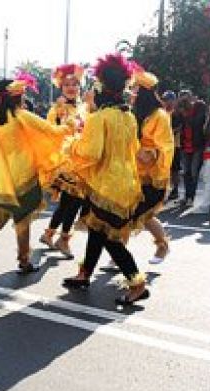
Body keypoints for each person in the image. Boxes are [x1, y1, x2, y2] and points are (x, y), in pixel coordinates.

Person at [60, 54, 149, 306]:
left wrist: (72, 144)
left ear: (100, 89)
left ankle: (137, 282)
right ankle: (84, 273)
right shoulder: (128, 116)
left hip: (106, 185)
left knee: (110, 238)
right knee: (97, 229)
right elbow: (134, 148)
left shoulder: (100, 118)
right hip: (126, 184)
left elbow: (91, 153)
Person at [0, 77, 68, 273]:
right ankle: (24, 261)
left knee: (0, 217)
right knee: (23, 220)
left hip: (1, 180)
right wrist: (70, 126)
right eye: (23, 94)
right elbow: (50, 131)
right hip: (22, 177)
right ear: (17, 97)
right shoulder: (20, 115)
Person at [40, 62, 89, 258]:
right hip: (65, 162)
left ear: (79, 87)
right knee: (74, 202)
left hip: (83, 160)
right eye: (67, 84)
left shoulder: (85, 107)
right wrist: (60, 119)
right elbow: (50, 133)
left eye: (75, 84)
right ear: (61, 87)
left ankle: (49, 234)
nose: (71, 87)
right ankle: (64, 239)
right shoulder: (56, 110)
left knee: (68, 203)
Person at [129, 71, 176, 264]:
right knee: (125, 214)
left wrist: (149, 152)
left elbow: (165, 145)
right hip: (132, 173)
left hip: (152, 175)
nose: (132, 92)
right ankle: (118, 254)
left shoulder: (160, 116)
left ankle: (162, 245)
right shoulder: (132, 114)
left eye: (135, 89)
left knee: (144, 215)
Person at [176, 90, 208, 206]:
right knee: (186, 172)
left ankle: (191, 197)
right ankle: (186, 196)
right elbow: (175, 122)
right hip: (185, 145)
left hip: (197, 146)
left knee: (194, 173)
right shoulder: (180, 113)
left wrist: (187, 117)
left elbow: (198, 123)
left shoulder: (200, 107)